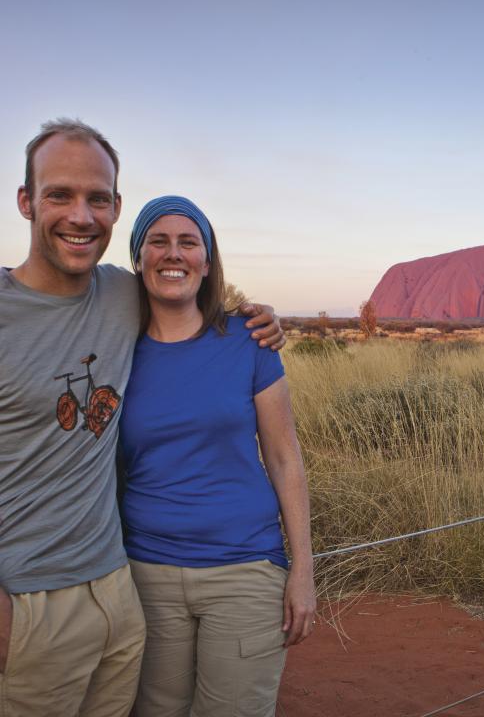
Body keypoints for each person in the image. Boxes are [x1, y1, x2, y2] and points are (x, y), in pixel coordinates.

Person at [0, 119, 285, 717]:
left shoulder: (122, 294)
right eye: (59, 194)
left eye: (96, 199)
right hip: (29, 598)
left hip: (120, 585)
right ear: (25, 201)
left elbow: (187, 295)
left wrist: (257, 316)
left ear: (114, 209)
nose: (80, 216)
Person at [119, 196, 315, 717]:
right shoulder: (114, 350)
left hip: (245, 570)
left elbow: (283, 457)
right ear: (138, 257)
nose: (173, 254)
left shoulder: (248, 342)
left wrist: (303, 569)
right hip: (145, 573)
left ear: (207, 262)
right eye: (157, 241)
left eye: (189, 242)